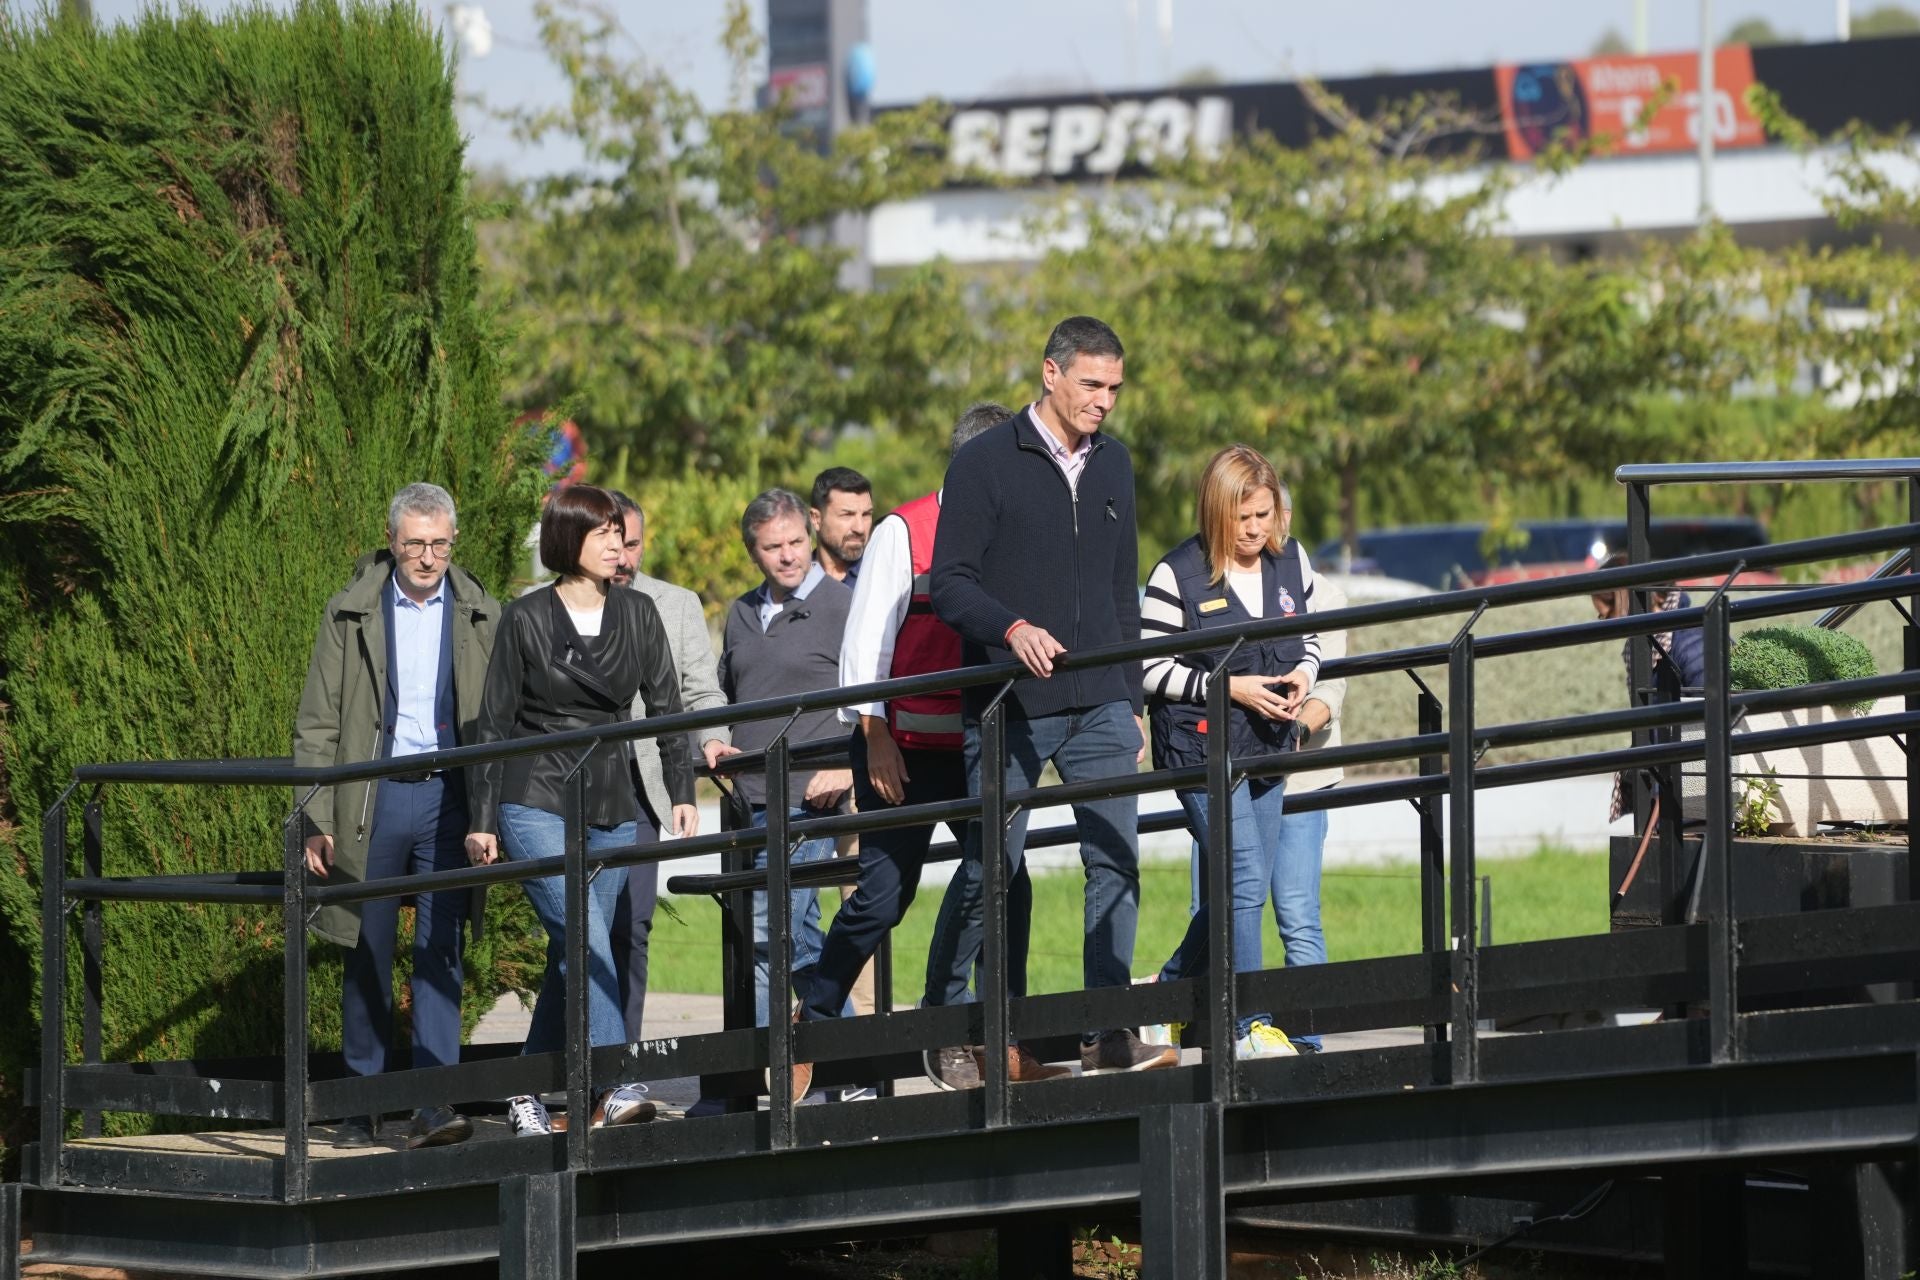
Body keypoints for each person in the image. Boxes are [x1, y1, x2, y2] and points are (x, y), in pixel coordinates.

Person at [930, 315, 1173, 1078]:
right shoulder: (983, 464)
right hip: (1009, 703)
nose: (1105, 401)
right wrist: (1012, 628)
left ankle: (1107, 1030)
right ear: (1051, 374)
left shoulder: (1116, 465)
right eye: (1092, 385)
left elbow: (1119, 592)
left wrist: (1132, 699)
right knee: (989, 870)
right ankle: (949, 1028)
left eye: (1114, 388)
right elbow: (950, 587)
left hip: (1100, 698)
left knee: (1115, 859)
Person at [788, 403, 1032, 1101]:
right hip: (903, 747)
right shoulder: (906, 528)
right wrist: (873, 735)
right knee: (884, 897)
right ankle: (815, 1019)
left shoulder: (1012, 528)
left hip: (982, 744)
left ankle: (992, 1032)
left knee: (1006, 882)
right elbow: (865, 640)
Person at [465, 483, 693, 1136]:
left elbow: (667, 706)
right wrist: (482, 817)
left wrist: (680, 789)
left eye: (621, 534)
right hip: (534, 795)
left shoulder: (640, 614)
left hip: (613, 801)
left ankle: (524, 1091)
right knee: (587, 938)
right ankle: (617, 1082)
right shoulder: (526, 617)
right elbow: (495, 721)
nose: (619, 545)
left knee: (574, 954)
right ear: (570, 541)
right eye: (604, 534)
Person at [294, 482, 500, 1150]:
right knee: (365, 947)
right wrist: (314, 816)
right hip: (369, 801)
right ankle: (362, 1104)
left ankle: (433, 1102)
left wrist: (489, 813)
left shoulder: (479, 613)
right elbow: (318, 721)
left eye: (440, 543)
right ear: (392, 541)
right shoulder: (350, 611)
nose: (428, 557)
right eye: (415, 543)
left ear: (452, 542)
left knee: (441, 951)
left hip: (449, 798)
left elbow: (499, 725)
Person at [1143, 445, 1320, 1060]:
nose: (1255, 531)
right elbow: (1148, 669)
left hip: (1269, 746)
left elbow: (1311, 637)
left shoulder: (1292, 561)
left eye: (1265, 516)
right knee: (1242, 878)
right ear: (1217, 512)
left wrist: (1305, 674)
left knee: (1244, 888)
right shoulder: (1175, 574)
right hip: (1201, 752)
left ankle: (1164, 991)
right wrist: (1228, 687)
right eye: (1243, 519)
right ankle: (1250, 1023)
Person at [719, 488, 855, 1030]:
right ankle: (849, 1066)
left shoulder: (844, 608)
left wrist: (847, 763)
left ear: (810, 536)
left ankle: (780, 1073)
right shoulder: (740, 613)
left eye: (796, 541)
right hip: (749, 801)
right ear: (754, 551)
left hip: (809, 796)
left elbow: (878, 695)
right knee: (796, 935)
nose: (788, 554)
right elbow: (723, 696)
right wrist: (711, 743)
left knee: (771, 930)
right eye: (773, 546)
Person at [605, 490, 729, 1044]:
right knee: (574, 929)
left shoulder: (675, 603)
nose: (625, 558)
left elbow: (703, 689)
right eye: (614, 545)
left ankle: (622, 1061)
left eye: (633, 543)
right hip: (568, 787)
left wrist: (714, 742)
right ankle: (574, 1059)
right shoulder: (551, 604)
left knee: (632, 923)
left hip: (644, 786)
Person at [1263, 570, 1347, 1054]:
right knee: (1213, 914)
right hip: (1234, 773)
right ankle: (1232, 1034)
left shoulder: (1326, 594)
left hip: (1302, 778)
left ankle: (1308, 1042)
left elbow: (1329, 694)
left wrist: (1287, 736)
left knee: (1297, 915)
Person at [810, 467, 874, 587]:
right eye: (847, 515)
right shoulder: (790, 582)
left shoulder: (883, 578)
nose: (859, 528)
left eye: (866, 514)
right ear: (816, 519)